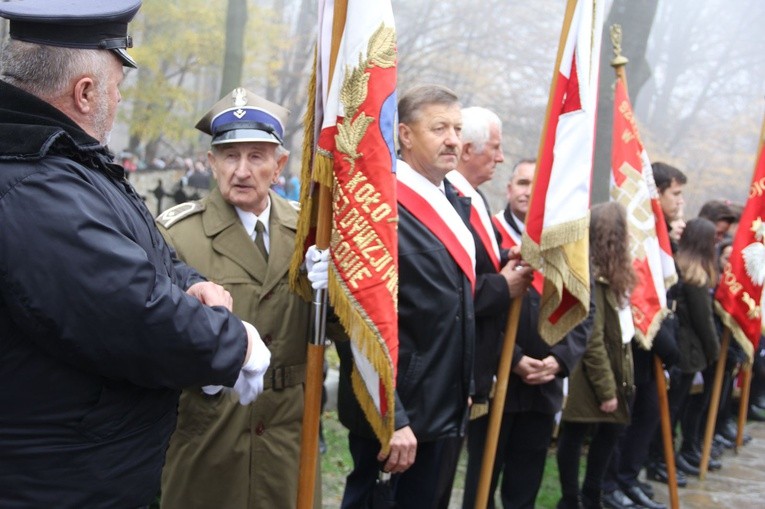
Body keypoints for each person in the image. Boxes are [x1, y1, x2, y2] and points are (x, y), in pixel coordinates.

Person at [0, 2, 270, 507]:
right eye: (117, 88)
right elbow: (129, 308)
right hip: (59, 482)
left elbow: (142, 251)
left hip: (84, 465)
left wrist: (190, 283)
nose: (119, 100)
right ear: (83, 93)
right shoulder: (33, 183)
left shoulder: (62, 161)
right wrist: (236, 346)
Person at [156, 88, 317, 509]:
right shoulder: (177, 233)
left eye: (256, 156)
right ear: (212, 162)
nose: (241, 170)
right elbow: (153, 332)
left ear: (279, 165)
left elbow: (332, 330)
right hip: (210, 429)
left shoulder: (308, 233)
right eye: (230, 156)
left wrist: (334, 290)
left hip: (287, 433)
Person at [337, 84, 474, 508]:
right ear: (405, 134)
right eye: (439, 128)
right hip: (399, 415)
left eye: (457, 128)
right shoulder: (380, 207)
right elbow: (358, 319)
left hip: (442, 405)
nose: (453, 139)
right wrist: (391, 417)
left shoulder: (455, 199)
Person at [462, 159, 590, 509]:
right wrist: (514, 357)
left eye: (537, 186)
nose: (528, 191)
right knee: (482, 481)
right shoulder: (488, 234)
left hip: (543, 387)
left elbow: (583, 310)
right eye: (521, 183)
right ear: (509, 188)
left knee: (525, 484)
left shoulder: (566, 244)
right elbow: (476, 305)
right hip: (497, 378)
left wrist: (560, 360)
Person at [445, 108, 533, 418]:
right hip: (452, 363)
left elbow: (482, 261)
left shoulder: (477, 197)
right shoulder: (446, 200)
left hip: (475, 362)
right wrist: (502, 286)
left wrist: (508, 256)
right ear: (468, 150)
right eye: (495, 147)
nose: (500, 157)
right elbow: (450, 286)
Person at [556, 201, 637, 509]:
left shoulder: (613, 275)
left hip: (615, 369)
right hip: (591, 373)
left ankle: (591, 496)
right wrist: (606, 388)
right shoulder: (591, 274)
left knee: (609, 433)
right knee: (575, 435)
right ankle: (571, 499)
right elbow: (593, 339)